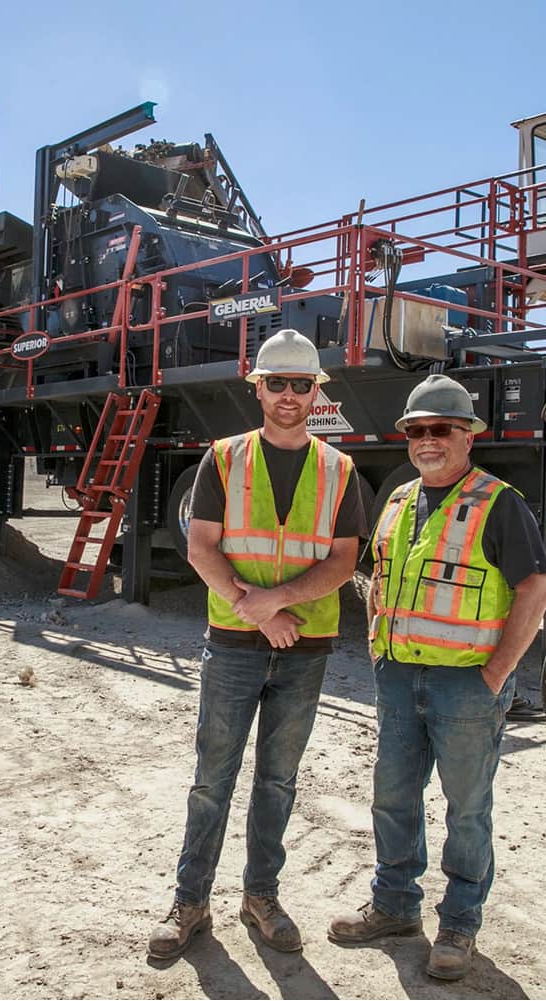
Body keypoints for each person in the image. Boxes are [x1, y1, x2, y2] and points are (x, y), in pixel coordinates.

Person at [147, 329, 365, 960]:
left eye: (302, 384)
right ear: (259, 389)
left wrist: (277, 603)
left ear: (317, 391)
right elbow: (201, 547)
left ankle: (260, 896)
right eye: (278, 383)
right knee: (212, 779)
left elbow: (343, 561)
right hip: (237, 643)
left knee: (278, 780)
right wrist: (258, 610)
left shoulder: (339, 468)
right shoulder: (224, 458)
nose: (290, 395)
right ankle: (191, 901)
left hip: (306, 646)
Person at [328, 373, 546, 981]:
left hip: (466, 685)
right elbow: (377, 578)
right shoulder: (398, 500)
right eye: (417, 430)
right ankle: (395, 907)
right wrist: (378, 646)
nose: (428, 440)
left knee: (466, 808)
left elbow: (535, 591)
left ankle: (459, 924)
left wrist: (496, 673)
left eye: (441, 429)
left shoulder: (498, 502)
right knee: (394, 798)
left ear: (467, 436)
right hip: (399, 678)